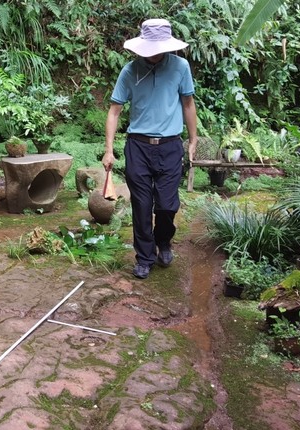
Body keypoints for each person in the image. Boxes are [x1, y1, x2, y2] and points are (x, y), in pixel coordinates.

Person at [101, 19, 198, 280]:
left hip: (169, 146)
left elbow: (188, 104)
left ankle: (164, 241)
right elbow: (114, 111)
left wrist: (193, 139)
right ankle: (145, 257)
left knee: (167, 205)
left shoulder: (180, 67)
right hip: (138, 147)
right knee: (142, 206)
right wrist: (109, 150)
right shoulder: (130, 71)